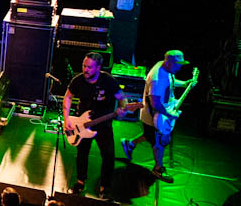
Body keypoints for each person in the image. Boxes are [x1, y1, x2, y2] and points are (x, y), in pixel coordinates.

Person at [63, 52, 127, 197]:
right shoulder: (78, 80)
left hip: (103, 124)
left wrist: (122, 109)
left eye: (89, 67)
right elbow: (68, 96)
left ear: (98, 68)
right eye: (84, 66)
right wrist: (67, 119)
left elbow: (122, 98)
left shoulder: (108, 81)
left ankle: (105, 187)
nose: (85, 70)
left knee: (108, 155)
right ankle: (80, 182)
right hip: (82, 124)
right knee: (82, 154)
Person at [122, 50, 189, 183]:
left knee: (149, 136)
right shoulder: (157, 79)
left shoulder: (163, 66)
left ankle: (129, 144)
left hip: (155, 115)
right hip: (154, 117)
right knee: (159, 143)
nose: (180, 67)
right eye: (178, 64)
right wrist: (170, 114)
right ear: (169, 63)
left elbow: (170, 81)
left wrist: (184, 84)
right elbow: (156, 104)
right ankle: (158, 169)